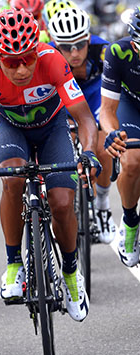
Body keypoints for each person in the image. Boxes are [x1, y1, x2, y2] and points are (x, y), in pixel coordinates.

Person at [0, 8, 101, 321]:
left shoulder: (52, 59)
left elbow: (84, 119)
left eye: (28, 57)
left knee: (63, 203)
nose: (22, 68)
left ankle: (70, 272)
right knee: (12, 179)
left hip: (52, 128)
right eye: (12, 62)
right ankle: (14, 264)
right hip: (9, 126)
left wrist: (89, 151)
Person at [48, 7, 116, 244]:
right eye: (66, 46)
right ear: (56, 44)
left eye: (79, 44)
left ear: (88, 39)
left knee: (100, 143)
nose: (74, 52)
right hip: (63, 95)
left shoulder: (104, 51)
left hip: (94, 94)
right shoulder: (48, 55)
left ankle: (103, 207)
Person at [100, 6, 140, 267]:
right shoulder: (118, 52)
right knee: (133, 160)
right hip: (130, 105)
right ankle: (130, 222)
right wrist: (113, 134)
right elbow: (106, 110)